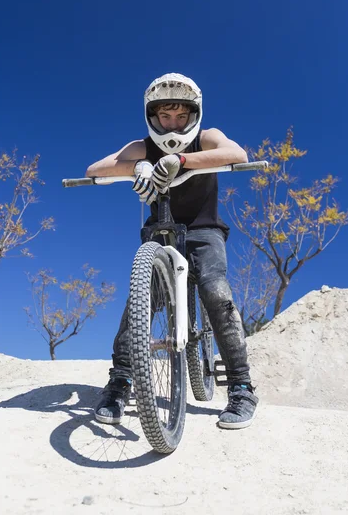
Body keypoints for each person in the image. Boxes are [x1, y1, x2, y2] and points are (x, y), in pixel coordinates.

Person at [85, 72, 258, 430]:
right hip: (160, 231)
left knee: (215, 289)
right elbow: (95, 168)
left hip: (204, 229)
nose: (172, 124)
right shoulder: (143, 146)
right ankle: (120, 382)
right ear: (152, 117)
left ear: (194, 115)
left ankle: (241, 387)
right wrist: (140, 166)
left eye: (180, 116)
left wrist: (181, 162)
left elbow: (237, 153)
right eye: (164, 116)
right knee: (142, 299)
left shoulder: (207, 138)